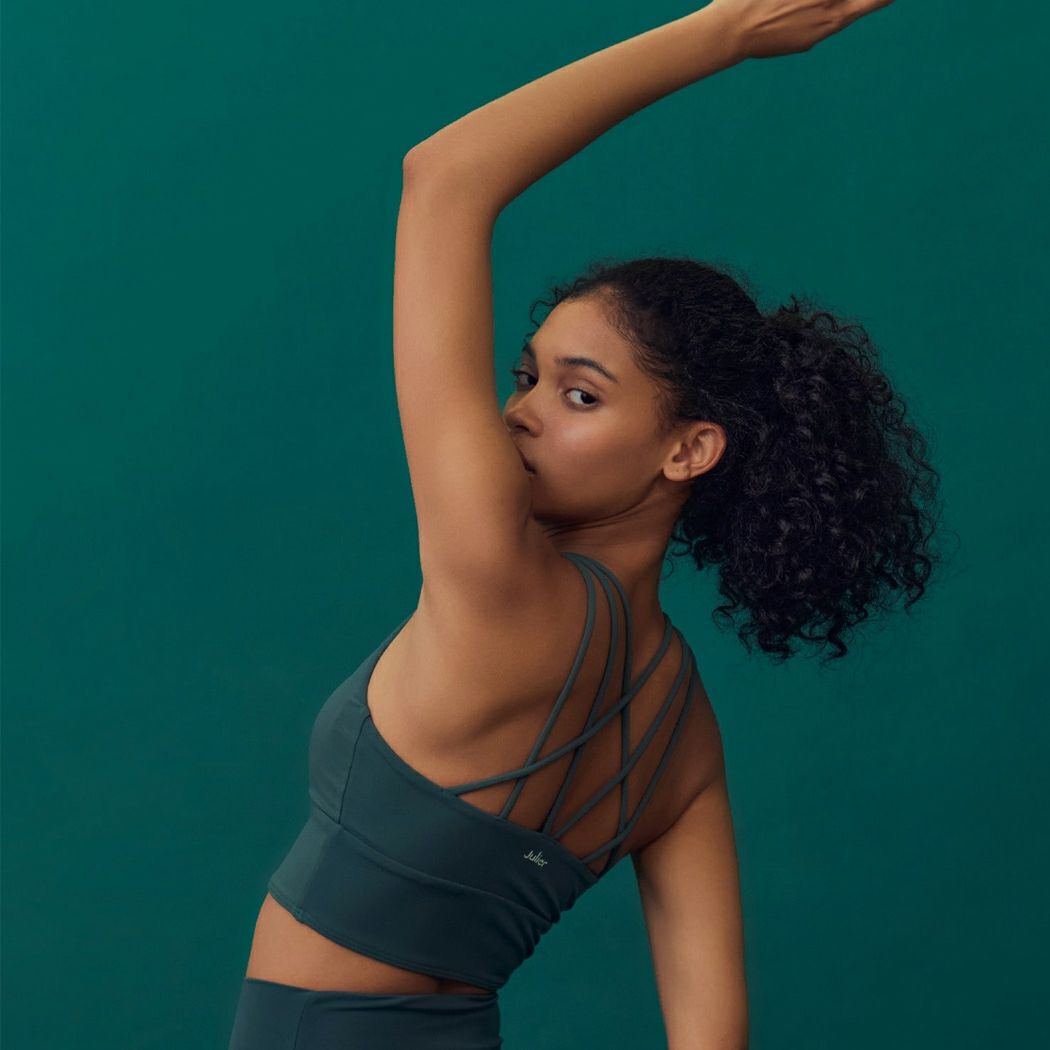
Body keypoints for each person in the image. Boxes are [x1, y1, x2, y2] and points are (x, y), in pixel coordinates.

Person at [228, 1, 938, 1047]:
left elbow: (445, 176)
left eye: (580, 394)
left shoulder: (498, 578)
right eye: (526, 377)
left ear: (688, 450)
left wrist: (727, 28)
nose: (518, 411)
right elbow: (715, 1034)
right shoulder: (683, 735)